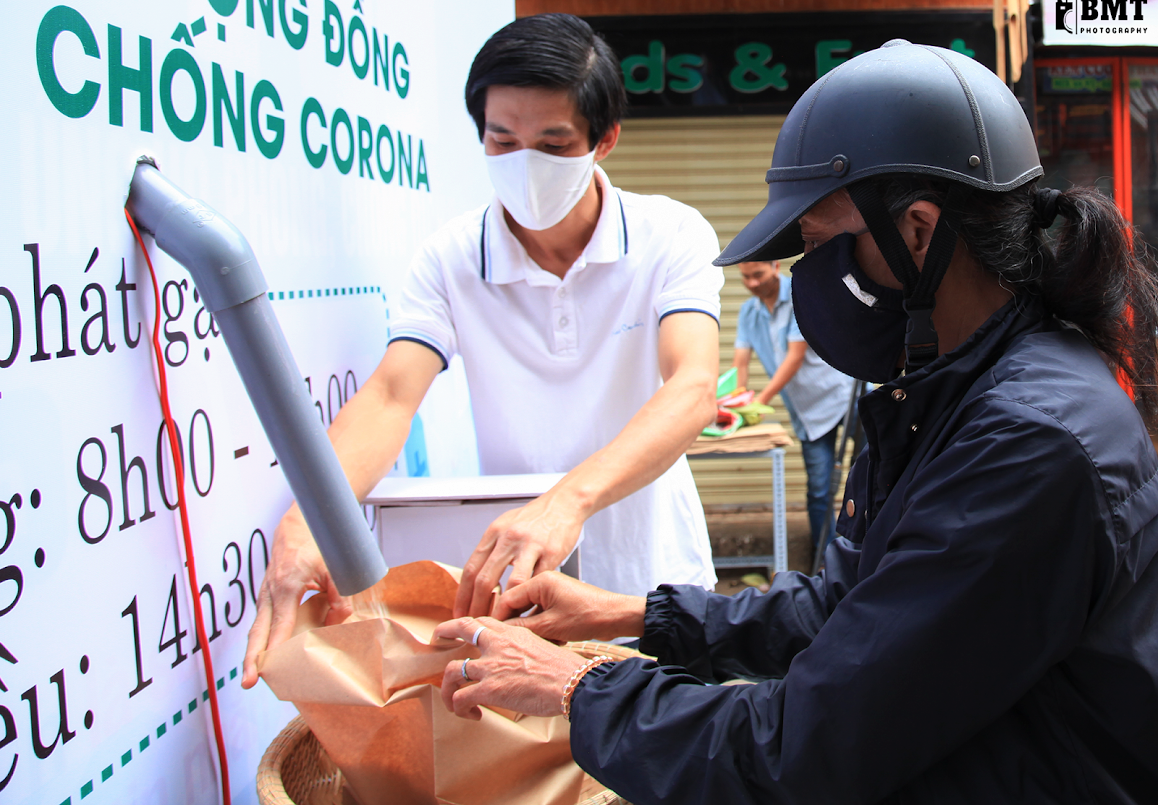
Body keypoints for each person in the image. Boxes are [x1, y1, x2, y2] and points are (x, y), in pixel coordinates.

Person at [432, 40, 1158, 803]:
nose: (803, 272)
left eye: (815, 242)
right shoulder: (949, 386)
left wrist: (582, 689)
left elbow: (808, 743)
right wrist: (633, 614)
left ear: (916, 230)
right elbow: (856, 610)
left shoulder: (1026, 441)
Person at [241, 14, 724, 688]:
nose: (525, 163)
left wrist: (565, 502)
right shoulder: (451, 257)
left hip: (651, 579)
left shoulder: (668, 235)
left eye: (553, 144)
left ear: (603, 139)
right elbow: (389, 395)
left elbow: (693, 386)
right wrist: (310, 518)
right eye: (502, 139)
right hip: (523, 592)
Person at [732, 258, 855, 553]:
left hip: (842, 395)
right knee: (819, 488)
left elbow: (794, 358)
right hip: (807, 411)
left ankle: (871, 549)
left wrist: (759, 402)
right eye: (745, 278)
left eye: (758, 274)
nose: (752, 283)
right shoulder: (749, 312)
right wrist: (737, 400)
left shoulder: (800, 295)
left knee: (871, 474)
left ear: (775, 267)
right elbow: (741, 361)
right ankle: (826, 557)